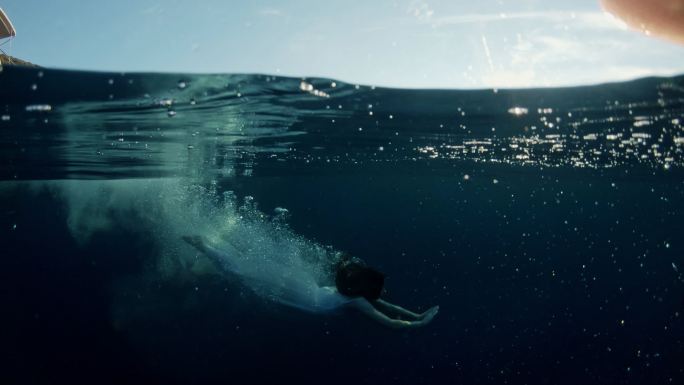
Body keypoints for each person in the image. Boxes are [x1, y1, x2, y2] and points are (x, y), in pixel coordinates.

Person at [183, 235, 439, 329]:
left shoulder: (356, 296)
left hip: (305, 290)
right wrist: (419, 323)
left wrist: (418, 315)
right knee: (244, 272)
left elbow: (390, 309)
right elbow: (390, 320)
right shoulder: (358, 301)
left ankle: (209, 248)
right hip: (305, 296)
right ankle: (205, 247)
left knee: (248, 271)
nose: (382, 293)